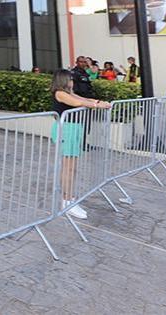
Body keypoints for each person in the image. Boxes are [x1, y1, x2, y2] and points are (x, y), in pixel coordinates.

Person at [51, 69, 111, 220]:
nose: (73, 81)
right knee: (68, 168)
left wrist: (98, 102)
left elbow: (82, 98)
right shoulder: (60, 93)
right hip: (67, 130)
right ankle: (67, 201)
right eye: (70, 79)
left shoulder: (69, 92)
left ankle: (69, 199)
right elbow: (77, 102)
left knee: (72, 167)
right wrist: (97, 105)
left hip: (73, 129)